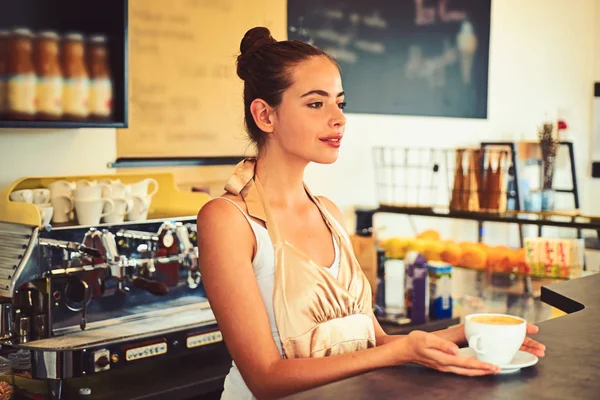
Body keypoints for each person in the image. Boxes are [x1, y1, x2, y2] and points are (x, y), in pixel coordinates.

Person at [196, 27, 545, 400]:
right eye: (316, 104)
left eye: (340, 103)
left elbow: (373, 341)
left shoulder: (328, 213)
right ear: (266, 115)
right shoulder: (227, 220)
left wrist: (468, 332)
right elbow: (266, 378)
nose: (338, 118)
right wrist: (398, 351)